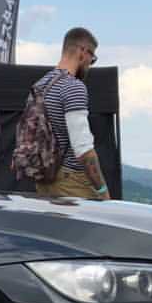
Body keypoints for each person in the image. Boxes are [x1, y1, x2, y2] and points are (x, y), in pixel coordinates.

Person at [33, 27, 110, 200]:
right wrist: (103, 191)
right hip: (71, 181)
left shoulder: (40, 85)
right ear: (83, 52)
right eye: (92, 58)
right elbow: (83, 150)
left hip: (43, 178)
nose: (90, 64)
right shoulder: (73, 87)